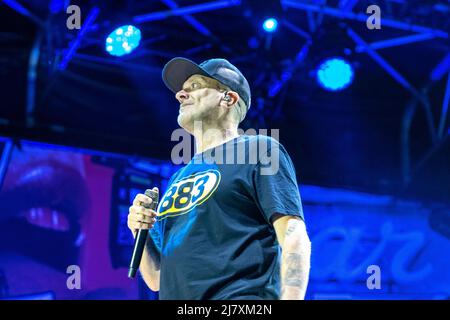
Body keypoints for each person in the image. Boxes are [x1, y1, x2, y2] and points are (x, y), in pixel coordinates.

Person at [127, 57, 311, 300]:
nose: (180, 95)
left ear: (228, 98)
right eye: (182, 89)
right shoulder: (178, 179)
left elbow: (292, 232)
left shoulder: (260, 150)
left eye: (194, 86)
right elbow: (156, 279)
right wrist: (139, 231)